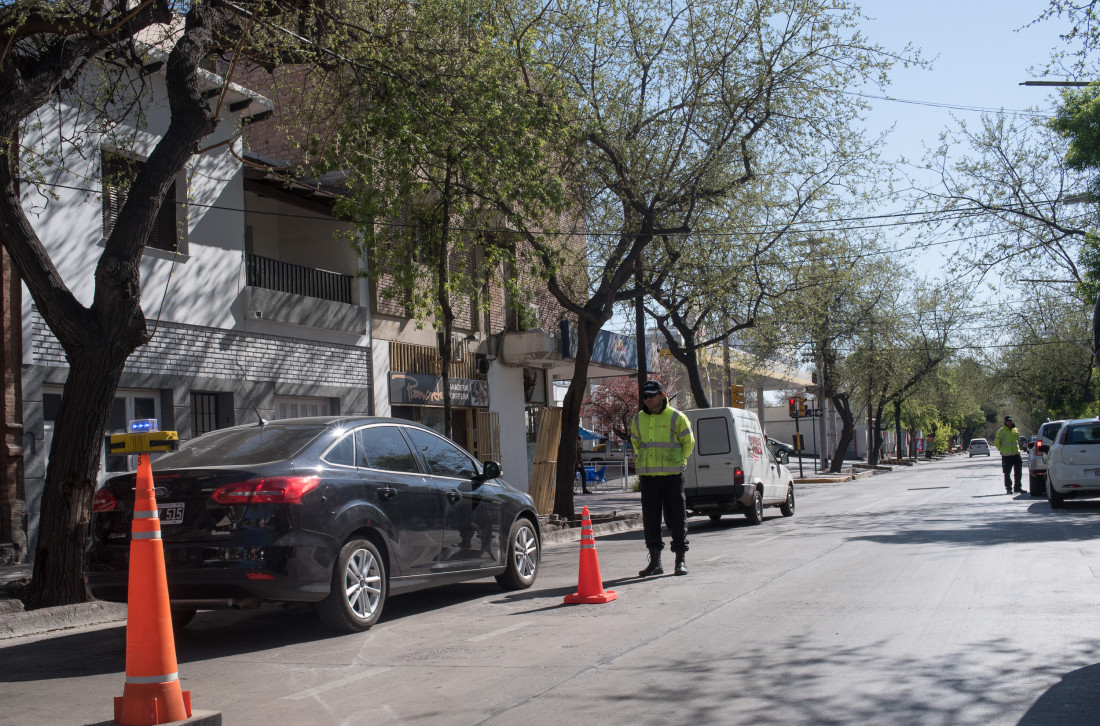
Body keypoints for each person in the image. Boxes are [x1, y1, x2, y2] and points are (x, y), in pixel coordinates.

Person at [630, 380, 695, 577]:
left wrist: (677, 460)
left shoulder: (677, 417)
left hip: (672, 477)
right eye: (645, 396)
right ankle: (655, 561)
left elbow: (688, 443)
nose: (648, 399)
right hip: (649, 478)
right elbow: (636, 444)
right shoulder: (638, 419)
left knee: (676, 518)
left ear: (662, 395)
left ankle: (680, 560)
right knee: (651, 521)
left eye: (652, 395)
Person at [993, 415, 1023, 494]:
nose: (1010, 422)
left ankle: (1018, 487)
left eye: (1011, 420)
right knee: (1007, 473)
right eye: (1008, 421)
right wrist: (1002, 450)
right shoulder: (1001, 431)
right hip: (1007, 456)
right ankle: (1009, 488)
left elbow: (1018, 440)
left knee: (1018, 472)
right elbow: (996, 442)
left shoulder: (1015, 430)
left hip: (1016, 454)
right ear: (1005, 421)